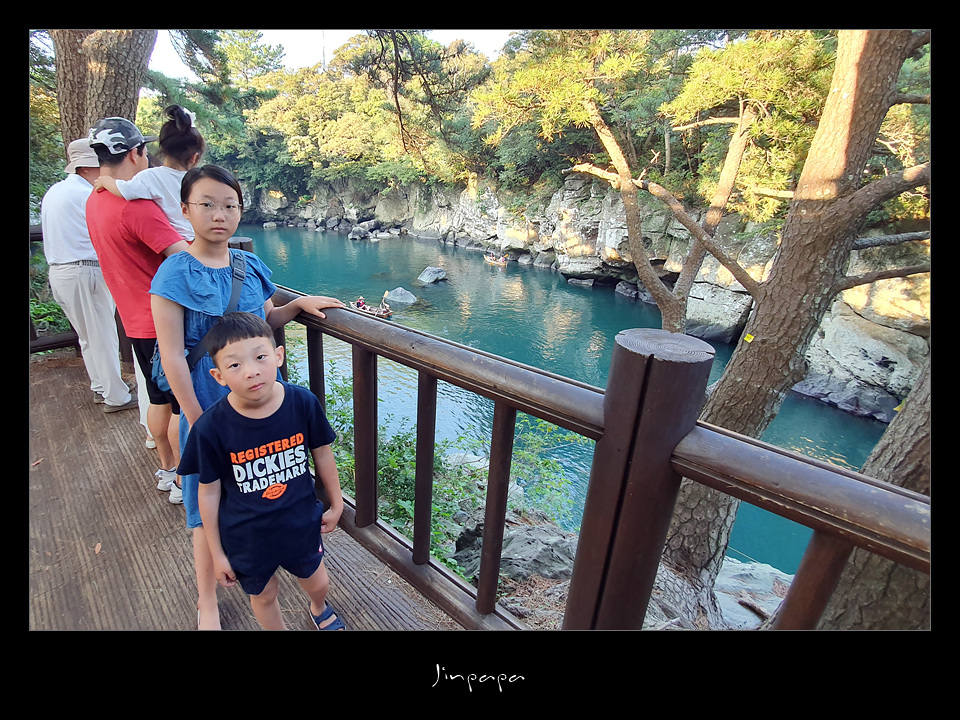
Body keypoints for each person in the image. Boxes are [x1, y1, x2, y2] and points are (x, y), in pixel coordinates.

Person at [150, 164, 345, 629]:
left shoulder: (248, 265)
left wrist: (296, 306)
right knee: (205, 508)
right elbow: (172, 354)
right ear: (185, 210)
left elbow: (262, 323)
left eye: (229, 205)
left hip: (255, 407)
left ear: (240, 210)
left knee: (255, 490)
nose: (219, 214)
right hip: (206, 405)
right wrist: (196, 417)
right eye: (207, 204)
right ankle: (207, 601)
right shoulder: (174, 272)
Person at [178, 311, 346, 630]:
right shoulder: (210, 428)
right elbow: (208, 492)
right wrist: (217, 553)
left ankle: (318, 606)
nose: (251, 372)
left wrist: (336, 503)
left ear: (278, 356)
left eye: (260, 357)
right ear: (218, 376)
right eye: (235, 365)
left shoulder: (302, 402)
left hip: (299, 523)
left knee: (319, 582)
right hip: (246, 535)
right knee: (264, 595)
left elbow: (322, 452)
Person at [86, 116, 191, 502]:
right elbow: (184, 257)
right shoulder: (136, 207)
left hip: (133, 319)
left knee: (158, 399)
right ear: (135, 153)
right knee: (182, 406)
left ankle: (166, 469)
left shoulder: (95, 200)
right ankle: (183, 481)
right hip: (165, 322)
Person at [40, 139, 137, 414]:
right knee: (103, 335)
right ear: (86, 168)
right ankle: (116, 397)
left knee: (87, 335)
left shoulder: (56, 191)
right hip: (86, 270)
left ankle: (101, 386)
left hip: (60, 272)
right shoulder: (87, 194)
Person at [94, 105, 203, 240]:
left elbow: (125, 190)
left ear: (163, 149)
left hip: (178, 240)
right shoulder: (199, 180)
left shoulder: (151, 176)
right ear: (195, 157)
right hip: (199, 239)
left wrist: (106, 180)